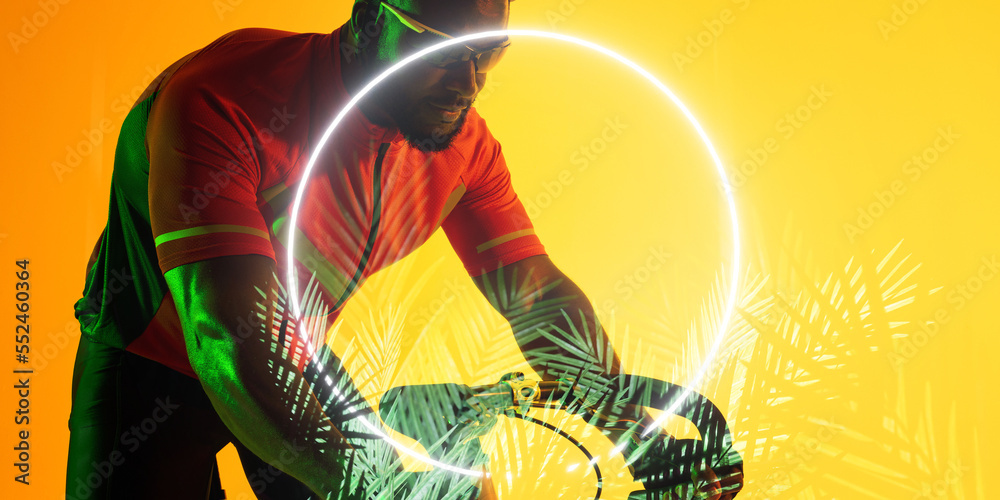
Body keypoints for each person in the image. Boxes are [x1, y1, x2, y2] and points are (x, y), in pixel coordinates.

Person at [68, 0, 742, 498]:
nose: (468, 79)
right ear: (368, 20)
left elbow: (533, 295)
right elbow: (223, 336)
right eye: (439, 47)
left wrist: (638, 438)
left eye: (490, 51)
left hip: (290, 351)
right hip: (151, 363)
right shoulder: (222, 97)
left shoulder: (464, 149)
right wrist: (375, 486)